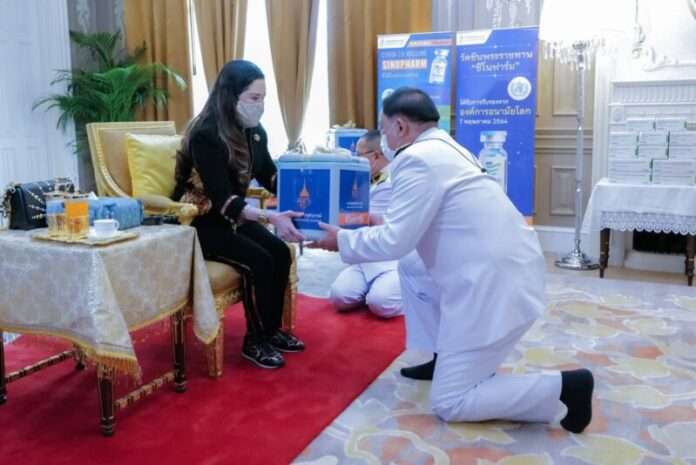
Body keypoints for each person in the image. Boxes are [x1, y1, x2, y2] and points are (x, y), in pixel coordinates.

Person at [311, 87, 594, 433]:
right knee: (412, 267)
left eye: (384, 130)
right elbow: (427, 219)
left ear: (400, 126)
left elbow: (395, 241)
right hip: (505, 262)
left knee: (450, 402)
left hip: (492, 281)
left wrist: (339, 240)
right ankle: (441, 357)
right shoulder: (446, 147)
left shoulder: (416, 159)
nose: (383, 140)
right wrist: (373, 221)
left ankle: (565, 387)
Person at [173, 60, 305, 370]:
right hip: (199, 222)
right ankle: (255, 341)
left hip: (231, 218)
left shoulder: (254, 133)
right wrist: (270, 217)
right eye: (254, 98)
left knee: (278, 252)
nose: (260, 106)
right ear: (230, 96)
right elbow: (223, 198)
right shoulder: (206, 134)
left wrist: (307, 178)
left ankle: (271, 331)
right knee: (259, 261)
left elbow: (270, 175)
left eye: (263, 98)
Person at [328, 130, 403, 318]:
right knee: (339, 297)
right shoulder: (366, 178)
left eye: (359, 155)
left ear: (375, 155)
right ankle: (372, 289)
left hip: (392, 258)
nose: (356, 159)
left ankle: (410, 295)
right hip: (366, 256)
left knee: (381, 304)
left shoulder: (396, 180)